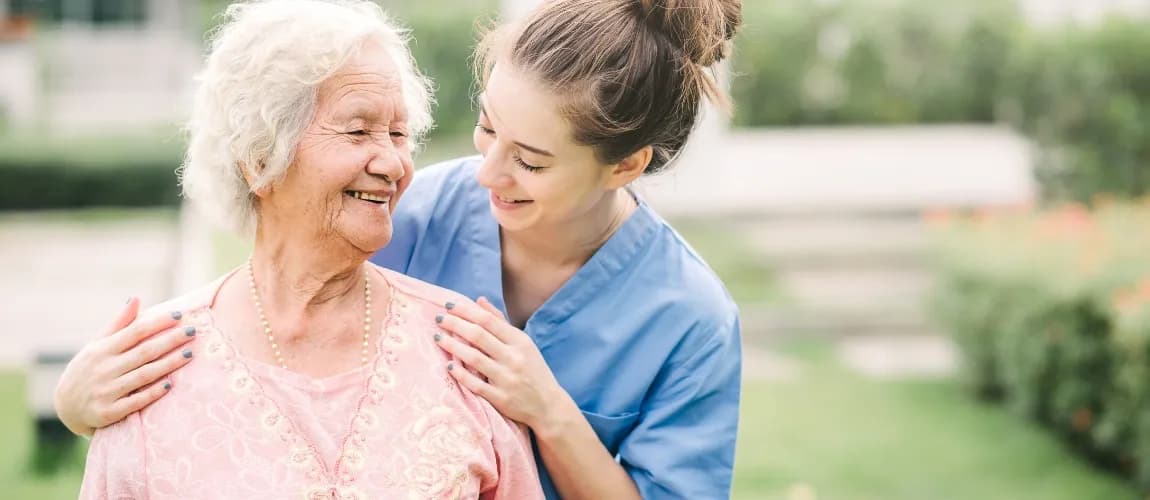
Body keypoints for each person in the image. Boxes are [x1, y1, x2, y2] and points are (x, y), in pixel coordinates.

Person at [61, 0, 743, 498]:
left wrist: (550, 411)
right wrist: (76, 402)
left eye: (530, 162)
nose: (487, 174)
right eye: (485, 129)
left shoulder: (691, 320)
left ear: (625, 166)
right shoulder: (413, 211)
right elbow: (282, 286)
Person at [76, 1, 543, 498]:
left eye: (399, 134)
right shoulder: (151, 370)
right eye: (358, 130)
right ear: (259, 159)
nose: (391, 161)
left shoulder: (464, 352)